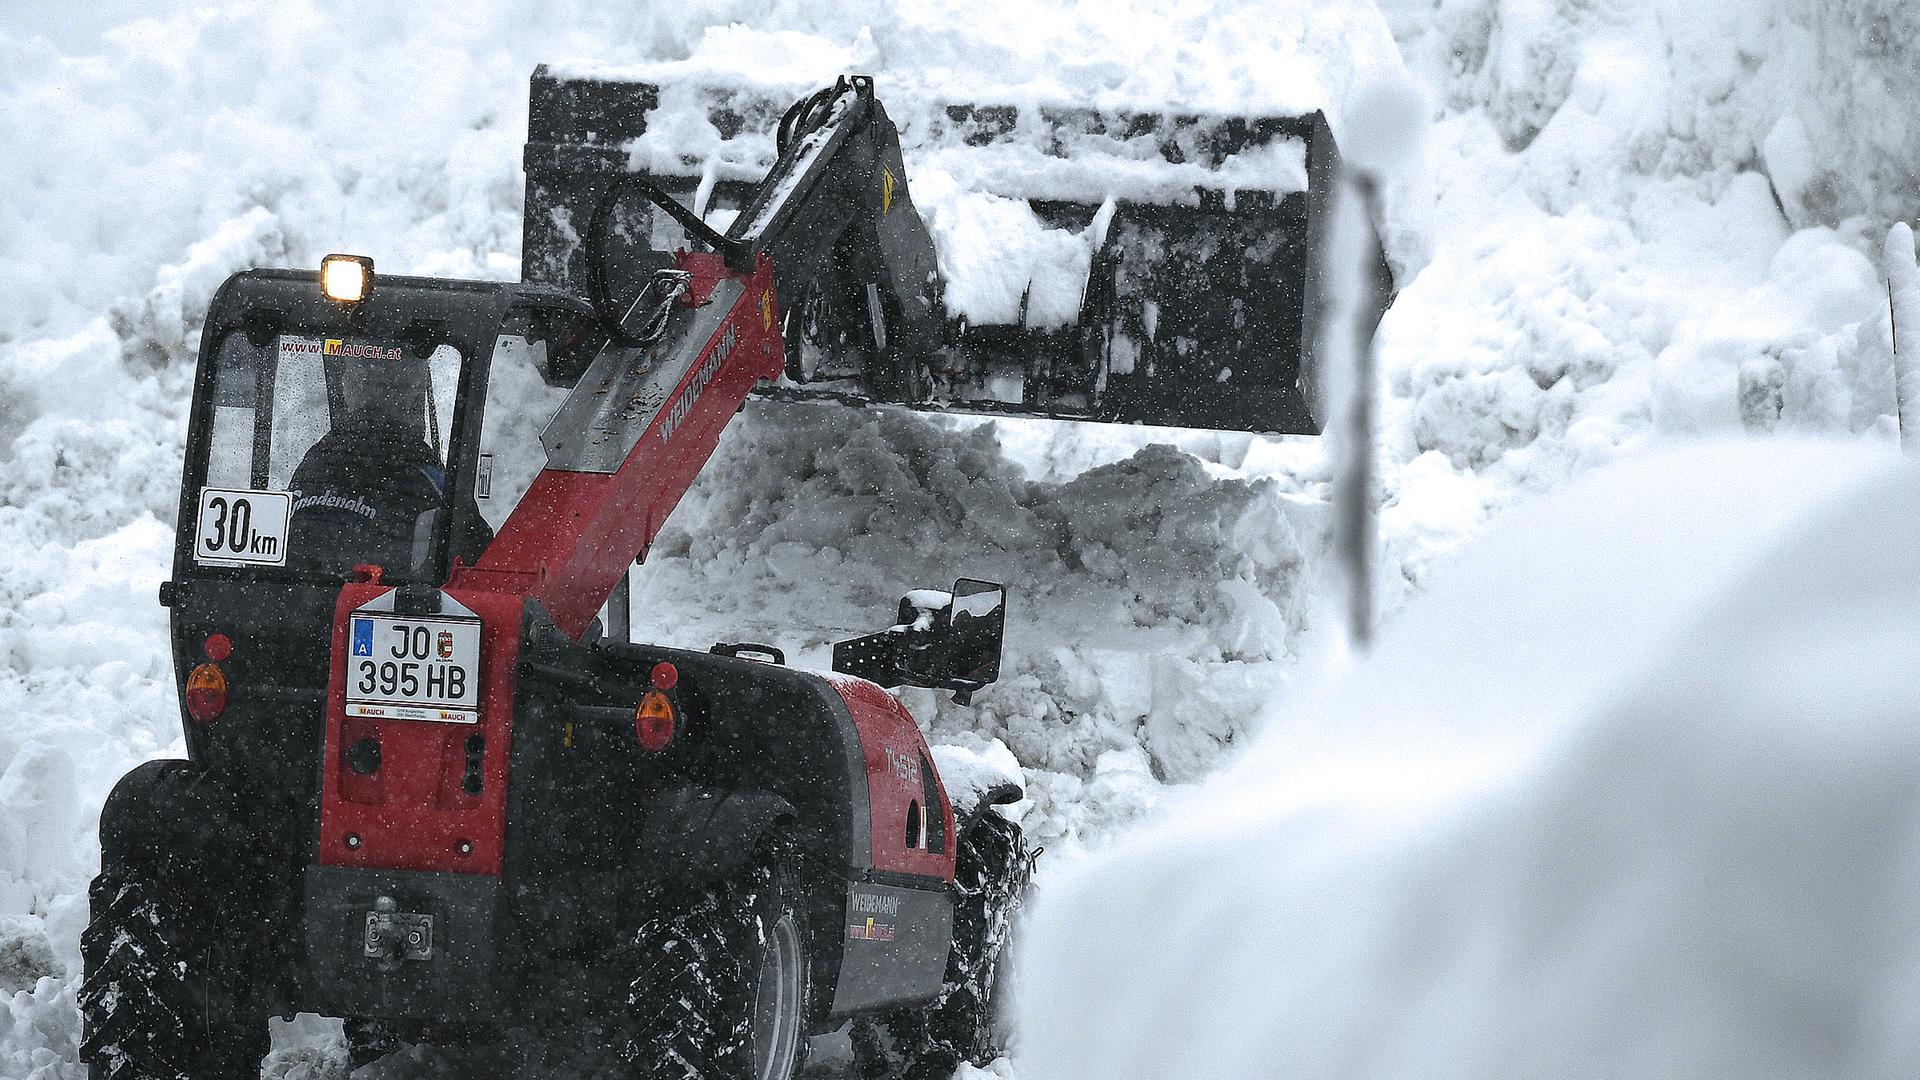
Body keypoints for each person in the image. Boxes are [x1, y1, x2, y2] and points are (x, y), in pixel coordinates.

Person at [285, 355, 489, 575]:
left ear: (350, 389)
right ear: (411, 394)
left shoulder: (314, 464)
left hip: (289, 594)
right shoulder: (433, 481)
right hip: (389, 596)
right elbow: (482, 565)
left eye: (348, 376)